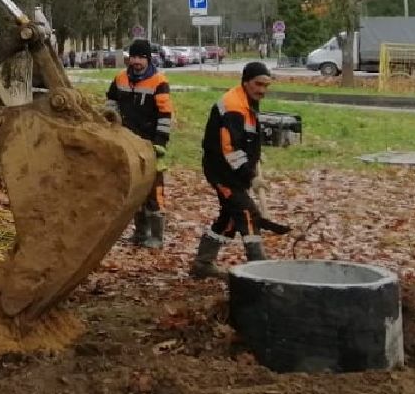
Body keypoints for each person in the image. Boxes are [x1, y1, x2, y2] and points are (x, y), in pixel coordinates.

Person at [190, 61, 290, 278]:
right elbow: (230, 149)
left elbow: (245, 137)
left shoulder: (248, 100)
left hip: (235, 171)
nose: (262, 90)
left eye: (266, 85)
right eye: (258, 84)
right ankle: (260, 270)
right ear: (245, 82)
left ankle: (202, 264)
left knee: (230, 218)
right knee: (247, 214)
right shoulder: (233, 106)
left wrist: (254, 154)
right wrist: (251, 176)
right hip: (222, 172)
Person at [106, 39, 175, 247]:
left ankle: (157, 236)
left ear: (148, 59)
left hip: (151, 144)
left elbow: (165, 115)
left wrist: (160, 143)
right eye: (133, 57)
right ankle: (140, 233)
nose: (136, 62)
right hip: (128, 142)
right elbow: (111, 102)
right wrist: (111, 119)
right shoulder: (120, 79)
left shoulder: (158, 82)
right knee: (134, 190)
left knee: (154, 191)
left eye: (141, 58)